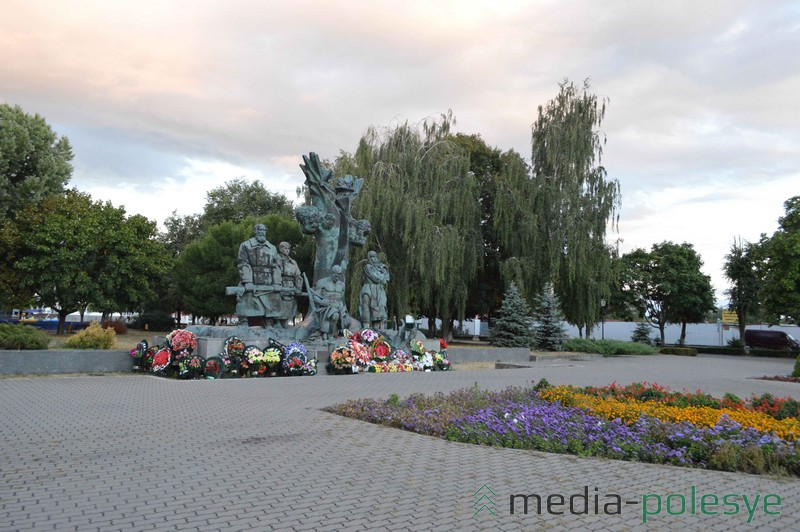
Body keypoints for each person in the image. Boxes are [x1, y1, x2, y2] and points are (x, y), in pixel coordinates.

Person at [235, 224, 281, 326]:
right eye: (259, 230)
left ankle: (268, 322)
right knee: (246, 300)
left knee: (271, 301)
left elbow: (277, 266)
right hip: (252, 278)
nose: (262, 232)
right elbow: (243, 263)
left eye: (264, 230)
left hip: (268, 280)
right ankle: (243, 322)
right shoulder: (246, 245)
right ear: (255, 231)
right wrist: (247, 281)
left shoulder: (272, 248)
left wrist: (277, 282)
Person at [312, 264, 348, 340]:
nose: (337, 277)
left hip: (337, 306)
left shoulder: (341, 285)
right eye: (336, 275)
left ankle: (332, 334)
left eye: (339, 275)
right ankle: (327, 334)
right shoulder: (322, 282)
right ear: (332, 273)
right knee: (334, 315)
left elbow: (341, 298)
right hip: (325, 306)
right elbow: (315, 296)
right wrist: (321, 302)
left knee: (342, 317)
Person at [359, 251, 389, 328]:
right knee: (366, 307)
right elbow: (376, 279)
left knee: (379, 309)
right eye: (372, 256)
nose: (375, 258)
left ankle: (376, 331)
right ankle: (366, 328)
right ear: (369, 257)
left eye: (376, 256)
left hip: (379, 290)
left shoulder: (380, 267)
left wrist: (383, 273)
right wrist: (383, 273)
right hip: (369, 288)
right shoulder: (368, 267)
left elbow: (385, 281)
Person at [276, 241, 303, 327]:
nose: (287, 250)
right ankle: (276, 323)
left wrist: (298, 288)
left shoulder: (293, 262)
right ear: (280, 249)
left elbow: (298, 276)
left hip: (290, 287)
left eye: (288, 248)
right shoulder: (275, 259)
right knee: (278, 305)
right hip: (279, 285)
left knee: (289, 306)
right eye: (285, 248)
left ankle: (285, 323)